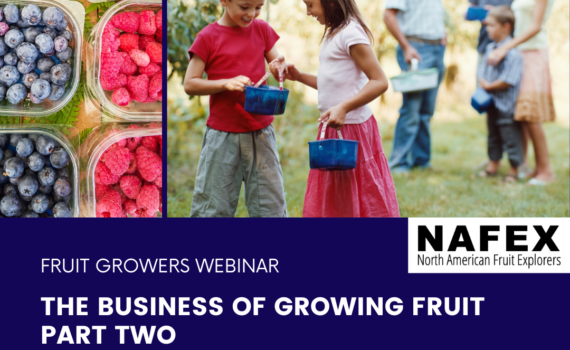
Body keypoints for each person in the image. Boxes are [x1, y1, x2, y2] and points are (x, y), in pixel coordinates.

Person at [277, 0, 399, 217]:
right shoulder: (334, 33)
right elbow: (334, 84)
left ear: (331, 2)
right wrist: (299, 77)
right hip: (335, 126)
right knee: (336, 193)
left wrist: (344, 107)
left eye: (311, 5)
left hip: (353, 130)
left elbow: (380, 81)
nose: (308, 12)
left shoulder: (351, 33)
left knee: (356, 188)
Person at [184, 0, 288, 217]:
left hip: (261, 135)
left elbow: (277, 67)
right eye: (244, 6)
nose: (252, 14)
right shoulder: (207, 37)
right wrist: (225, 83)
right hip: (222, 137)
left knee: (270, 208)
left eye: (258, 7)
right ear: (224, 1)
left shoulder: (262, 30)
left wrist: (280, 67)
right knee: (213, 209)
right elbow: (190, 84)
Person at [487, 0, 557, 185]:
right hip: (521, 52)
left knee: (532, 114)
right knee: (522, 114)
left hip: (534, 51)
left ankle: (546, 171)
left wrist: (506, 46)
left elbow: (535, 26)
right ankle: (529, 167)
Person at [383, 0, 446, 173]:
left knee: (426, 111)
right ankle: (399, 163)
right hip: (416, 48)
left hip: (437, 49)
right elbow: (388, 16)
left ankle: (421, 161)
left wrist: (442, 32)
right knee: (411, 109)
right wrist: (406, 46)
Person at [477, 6, 524, 183]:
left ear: (506, 27)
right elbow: (481, 71)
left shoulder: (513, 53)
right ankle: (492, 167)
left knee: (510, 137)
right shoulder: (489, 48)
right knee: (493, 136)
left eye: (491, 25)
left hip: (506, 106)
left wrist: (489, 86)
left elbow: (509, 79)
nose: (487, 29)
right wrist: (482, 83)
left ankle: (514, 170)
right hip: (491, 105)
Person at [468, 0, 513, 70]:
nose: (488, 28)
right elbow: (468, 12)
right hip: (484, 44)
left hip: (508, 45)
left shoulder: (514, 54)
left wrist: (496, 13)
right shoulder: (489, 47)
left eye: (491, 25)